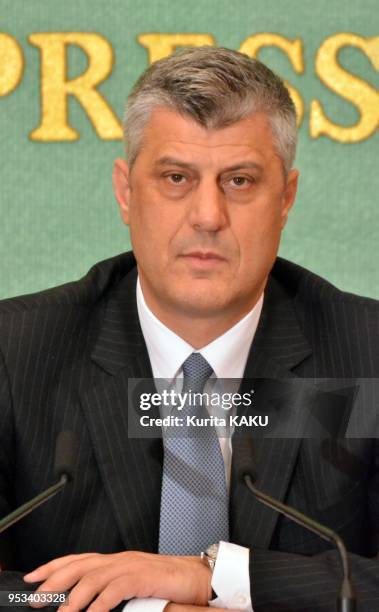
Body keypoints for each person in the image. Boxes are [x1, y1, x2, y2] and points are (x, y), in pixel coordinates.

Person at [0, 46, 378, 612]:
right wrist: (150, 607)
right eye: (176, 177)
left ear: (287, 199)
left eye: (241, 181)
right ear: (127, 193)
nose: (207, 215)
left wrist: (216, 577)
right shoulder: (16, 351)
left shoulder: (366, 351)